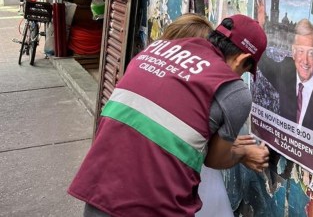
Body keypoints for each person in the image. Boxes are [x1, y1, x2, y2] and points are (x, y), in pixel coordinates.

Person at [68, 13, 269, 217]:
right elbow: (215, 160)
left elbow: (165, 129)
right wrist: (243, 153)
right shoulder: (235, 92)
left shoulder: (153, 50)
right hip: (155, 206)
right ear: (242, 59)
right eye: (243, 71)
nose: (239, 78)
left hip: (99, 193)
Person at [258, 18, 313, 141]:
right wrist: (260, 25)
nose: (305, 60)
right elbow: (263, 62)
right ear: (293, 52)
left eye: (310, 53)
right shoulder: (285, 73)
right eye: (300, 51)